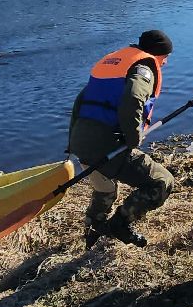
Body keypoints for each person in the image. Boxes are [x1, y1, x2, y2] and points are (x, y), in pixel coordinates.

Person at [68, 30, 176, 246]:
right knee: (162, 182)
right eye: (165, 58)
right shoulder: (143, 68)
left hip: (81, 140)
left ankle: (93, 229)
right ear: (158, 53)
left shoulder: (113, 63)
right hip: (106, 143)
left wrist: (74, 141)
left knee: (105, 188)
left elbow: (80, 100)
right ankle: (120, 224)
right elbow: (134, 97)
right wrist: (133, 136)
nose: (164, 64)